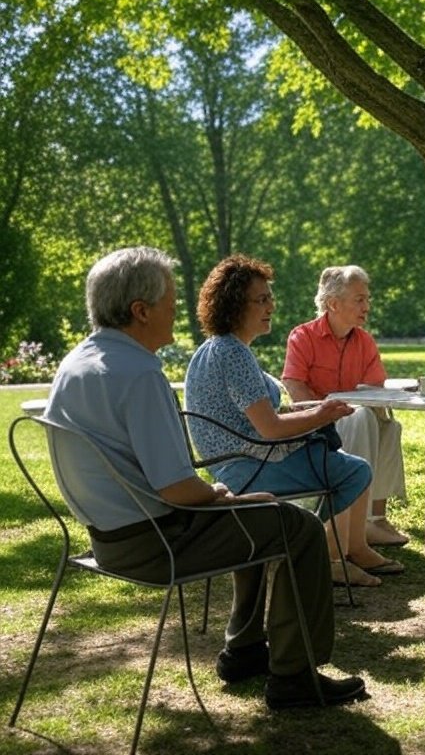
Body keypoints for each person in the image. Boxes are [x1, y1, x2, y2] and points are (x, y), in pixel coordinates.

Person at [44, 246, 365, 708]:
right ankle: (295, 677)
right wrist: (215, 494)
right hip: (158, 541)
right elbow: (178, 489)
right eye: (171, 304)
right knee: (300, 527)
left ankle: (245, 650)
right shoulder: (138, 374)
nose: (177, 313)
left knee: (257, 508)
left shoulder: (77, 364)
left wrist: (227, 497)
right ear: (140, 311)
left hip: (107, 536)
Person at [185, 254, 403, 589]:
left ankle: (351, 548)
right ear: (234, 305)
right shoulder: (234, 353)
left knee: (340, 455)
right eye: (261, 299)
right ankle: (329, 558)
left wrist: (311, 416)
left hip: (235, 461)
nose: (271, 305)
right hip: (248, 466)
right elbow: (268, 428)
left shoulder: (215, 348)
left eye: (270, 297)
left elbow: (253, 417)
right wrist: (320, 414)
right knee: (353, 471)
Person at [282, 265, 409, 548]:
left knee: (390, 427)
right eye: (359, 299)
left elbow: (374, 386)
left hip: (352, 413)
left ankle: (375, 519)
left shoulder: (364, 341)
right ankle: (353, 524)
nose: (367, 306)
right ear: (333, 304)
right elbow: (294, 385)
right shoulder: (303, 336)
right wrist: (320, 413)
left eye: (367, 298)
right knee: (363, 417)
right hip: (316, 421)